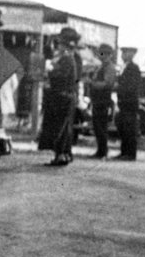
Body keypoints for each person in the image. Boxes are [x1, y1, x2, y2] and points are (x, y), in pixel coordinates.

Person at [39, 27, 80, 167]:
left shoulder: (67, 57)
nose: (58, 45)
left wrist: (50, 70)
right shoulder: (69, 56)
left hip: (62, 96)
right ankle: (65, 154)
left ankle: (61, 155)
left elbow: (61, 75)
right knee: (64, 127)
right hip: (65, 96)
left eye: (60, 43)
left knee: (60, 128)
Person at [88, 44, 117, 158]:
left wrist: (92, 84)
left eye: (104, 53)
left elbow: (107, 84)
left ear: (109, 55)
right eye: (101, 53)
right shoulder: (101, 67)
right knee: (97, 125)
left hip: (103, 100)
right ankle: (100, 150)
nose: (101, 56)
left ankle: (102, 151)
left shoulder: (109, 67)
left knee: (100, 126)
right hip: (98, 100)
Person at [114, 46, 141, 161]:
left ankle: (130, 153)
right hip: (123, 102)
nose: (122, 55)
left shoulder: (134, 68)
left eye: (125, 53)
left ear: (131, 54)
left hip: (129, 102)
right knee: (123, 127)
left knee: (129, 128)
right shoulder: (124, 67)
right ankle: (124, 151)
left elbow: (132, 86)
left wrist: (119, 88)